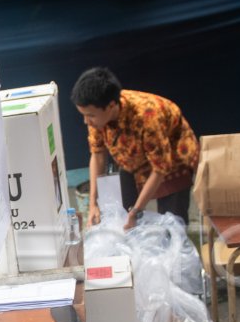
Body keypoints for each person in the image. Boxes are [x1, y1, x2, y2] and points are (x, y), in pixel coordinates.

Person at [71, 67, 199, 229]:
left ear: (111, 106)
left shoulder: (148, 117)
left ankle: (177, 248)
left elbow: (160, 169)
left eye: (90, 115)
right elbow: (97, 155)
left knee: (173, 222)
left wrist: (137, 211)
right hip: (132, 155)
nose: (86, 121)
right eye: (83, 115)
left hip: (172, 156)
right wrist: (93, 204)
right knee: (124, 215)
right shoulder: (97, 116)